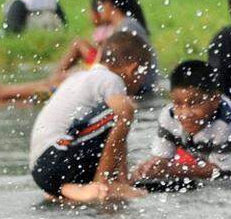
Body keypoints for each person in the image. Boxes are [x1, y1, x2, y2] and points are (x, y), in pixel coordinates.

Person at [28, 31, 153, 204]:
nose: (142, 81)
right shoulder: (111, 79)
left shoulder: (81, 76)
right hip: (56, 159)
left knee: (113, 116)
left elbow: (117, 140)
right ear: (133, 68)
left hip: (42, 169)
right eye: (143, 75)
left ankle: (66, 190)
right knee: (125, 111)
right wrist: (113, 181)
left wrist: (124, 179)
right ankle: (103, 183)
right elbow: (122, 118)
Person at [133, 60, 231, 187]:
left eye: (194, 103)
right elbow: (161, 159)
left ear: (215, 100)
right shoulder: (169, 115)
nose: (185, 114)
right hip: (207, 151)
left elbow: (225, 173)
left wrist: (175, 169)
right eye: (178, 103)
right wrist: (149, 168)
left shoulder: (229, 124)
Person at [0, 0, 111, 106]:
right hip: (100, 69)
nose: (89, 15)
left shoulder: (111, 30)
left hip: (100, 75)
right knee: (63, 72)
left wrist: (81, 71)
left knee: (59, 84)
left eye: (91, 11)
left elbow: (103, 65)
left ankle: (5, 93)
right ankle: (49, 84)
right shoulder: (112, 27)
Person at [2, 0, 66, 34]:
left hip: (29, 5)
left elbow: (13, 25)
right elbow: (62, 18)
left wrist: (11, 32)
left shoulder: (14, 2)